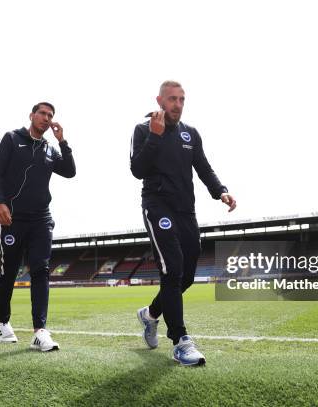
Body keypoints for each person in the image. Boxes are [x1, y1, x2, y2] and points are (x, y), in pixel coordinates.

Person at [130, 80, 237, 366]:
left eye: (181, 99)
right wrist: (154, 136)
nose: (177, 104)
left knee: (186, 276)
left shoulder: (191, 134)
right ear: (160, 101)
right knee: (172, 268)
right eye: (172, 99)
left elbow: (203, 166)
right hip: (157, 206)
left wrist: (221, 191)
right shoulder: (143, 129)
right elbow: (137, 170)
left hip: (186, 211)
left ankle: (150, 314)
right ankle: (180, 340)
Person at [0, 102, 76, 352]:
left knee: (41, 269)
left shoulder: (49, 148)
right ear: (32, 115)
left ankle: (40, 331)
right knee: (10, 272)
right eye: (42, 113)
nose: (46, 118)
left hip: (41, 218)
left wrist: (62, 141)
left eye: (50, 115)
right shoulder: (11, 138)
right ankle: (2, 322)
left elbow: (69, 171)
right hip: (12, 218)